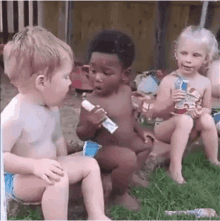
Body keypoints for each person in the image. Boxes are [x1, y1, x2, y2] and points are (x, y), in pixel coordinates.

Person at [1, 26, 110, 220]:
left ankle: (97, 215)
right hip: (18, 180)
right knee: (57, 181)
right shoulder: (14, 116)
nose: (70, 83)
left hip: (49, 167)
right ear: (42, 82)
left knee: (90, 164)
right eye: (65, 76)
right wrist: (34, 167)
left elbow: (57, 137)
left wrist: (65, 160)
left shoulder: (52, 107)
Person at [76, 30, 156, 211]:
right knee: (127, 158)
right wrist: (89, 124)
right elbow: (81, 134)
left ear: (124, 75)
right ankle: (119, 195)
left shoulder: (126, 91)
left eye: (106, 72)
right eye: (93, 70)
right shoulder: (91, 102)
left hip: (126, 143)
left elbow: (128, 116)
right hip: (101, 150)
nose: (97, 77)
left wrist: (141, 130)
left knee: (147, 144)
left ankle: (130, 175)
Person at [150, 25, 220, 184]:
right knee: (185, 120)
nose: (188, 60)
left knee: (207, 120)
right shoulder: (169, 81)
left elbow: (208, 108)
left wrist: (200, 111)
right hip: (165, 129)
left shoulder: (205, 83)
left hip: (188, 129)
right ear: (176, 54)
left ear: (206, 59)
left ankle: (213, 159)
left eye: (196, 55)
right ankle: (174, 169)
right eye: (184, 53)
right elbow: (157, 112)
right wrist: (171, 102)